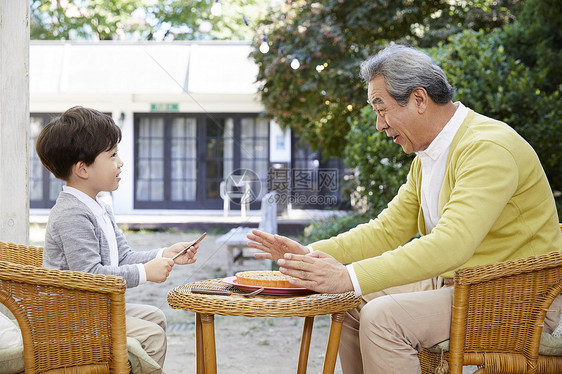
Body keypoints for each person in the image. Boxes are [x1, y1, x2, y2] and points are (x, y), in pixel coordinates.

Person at [247, 44, 562, 373]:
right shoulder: (428, 156)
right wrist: (309, 254)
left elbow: (451, 244)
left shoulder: (487, 148)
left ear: (419, 99)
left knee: (383, 318)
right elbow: (387, 230)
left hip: (521, 301)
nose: (379, 125)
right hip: (461, 287)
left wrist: (348, 275)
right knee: (353, 303)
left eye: (381, 109)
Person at [36, 106, 200, 370]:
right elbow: (89, 276)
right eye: (112, 155)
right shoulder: (71, 214)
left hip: (92, 310)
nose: (120, 162)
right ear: (83, 169)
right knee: (152, 337)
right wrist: (145, 273)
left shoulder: (99, 207)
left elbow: (124, 256)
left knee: (155, 317)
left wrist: (164, 254)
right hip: (71, 317)